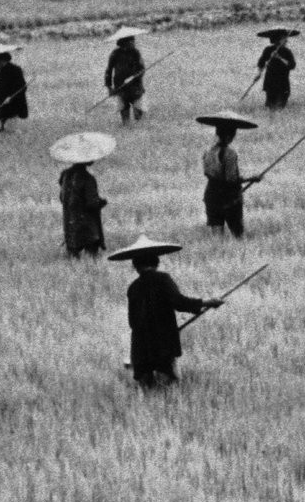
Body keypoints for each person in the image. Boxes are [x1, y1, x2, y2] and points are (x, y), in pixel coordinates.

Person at [109, 234, 222, 387]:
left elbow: (132, 321)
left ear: (135, 265)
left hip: (141, 344)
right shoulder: (162, 279)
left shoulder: (133, 287)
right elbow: (179, 302)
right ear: (156, 261)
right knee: (169, 384)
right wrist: (207, 302)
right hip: (162, 342)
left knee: (146, 387)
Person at [196, 112, 262, 237]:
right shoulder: (230, 153)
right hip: (229, 198)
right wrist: (252, 179)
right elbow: (231, 179)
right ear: (230, 135)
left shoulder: (208, 151)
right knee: (237, 234)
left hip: (211, 195)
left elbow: (208, 172)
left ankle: (218, 254)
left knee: (217, 235)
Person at [52, 133, 113, 259]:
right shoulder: (88, 179)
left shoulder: (65, 175)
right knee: (92, 253)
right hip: (87, 223)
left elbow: (62, 197)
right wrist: (102, 202)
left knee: (73, 253)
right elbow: (92, 203)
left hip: (70, 221)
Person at [103, 27, 149, 125]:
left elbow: (142, 69)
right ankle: (126, 126)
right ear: (124, 42)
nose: (133, 42)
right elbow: (109, 70)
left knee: (138, 110)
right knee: (123, 109)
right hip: (121, 87)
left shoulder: (136, 53)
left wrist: (134, 77)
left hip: (135, 86)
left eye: (133, 40)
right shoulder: (115, 54)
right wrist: (109, 87)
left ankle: (138, 128)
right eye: (131, 41)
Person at [0, 45, 28, 131]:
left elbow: (0, 90)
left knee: (8, 128)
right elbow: (23, 86)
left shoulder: (4, 72)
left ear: (2, 60)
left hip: (11, 104)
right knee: (9, 126)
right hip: (15, 102)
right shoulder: (16, 69)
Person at [256, 28, 297, 111]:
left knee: (282, 101)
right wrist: (259, 73)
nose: (286, 41)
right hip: (270, 80)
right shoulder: (268, 50)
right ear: (277, 40)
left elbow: (292, 65)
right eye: (284, 38)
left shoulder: (287, 51)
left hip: (283, 80)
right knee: (270, 103)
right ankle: (271, 117)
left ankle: (278, 115)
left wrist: (279, 58)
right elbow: (261, 62)